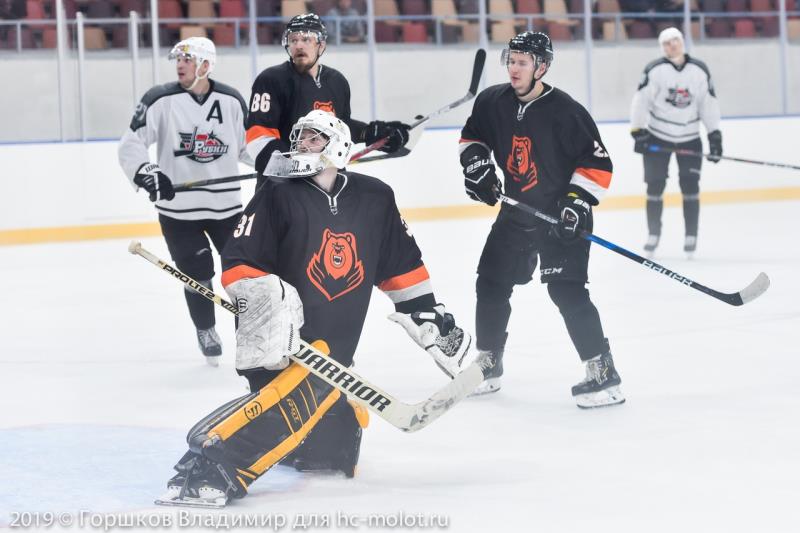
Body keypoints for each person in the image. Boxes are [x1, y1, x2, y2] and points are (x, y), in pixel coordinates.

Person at [157, 110, 473, 507]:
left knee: (332, 450)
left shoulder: (375, 197)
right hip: (281, 347)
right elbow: (240, 262)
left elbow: (402, 266)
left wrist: (428, 314)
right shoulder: (276, 192)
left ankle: (319, 432)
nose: (301, 145)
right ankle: (212, 467)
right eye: (299, 138)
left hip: (335, 354)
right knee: (288, 403)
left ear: (338, 145)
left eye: (313, 139)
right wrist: (269, 303)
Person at [458, 31, 624, 409]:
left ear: (542, 66)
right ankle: (488, 362)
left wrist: (576, 202)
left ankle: (603, 371)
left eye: (522, 62)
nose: (513, 69)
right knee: (491, 282)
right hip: (516, 212)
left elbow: (598, 164)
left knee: (566, 291)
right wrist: (478, 166)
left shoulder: (567, 111)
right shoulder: (491, 102)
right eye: (511, 60)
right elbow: (472, 138)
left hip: (559, 217)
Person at [118, 37, 251, 364]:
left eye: (187, 59)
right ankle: (205, 328)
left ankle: (249, 336)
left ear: (206, 65)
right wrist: (147, 173)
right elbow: (130, 144)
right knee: (198, 273)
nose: (179, 65)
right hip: (179, 213)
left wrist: (278, 164)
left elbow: (248, 147)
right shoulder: (159, 100)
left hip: (227, 210)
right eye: (177, 59)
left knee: (245, 274)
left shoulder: (231, 100)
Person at [245, 13, 410, 189]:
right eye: (293, 40)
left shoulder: (337, 81)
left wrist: (372, 133)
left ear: (321, 45)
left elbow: (340, 127)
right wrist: (293, 166)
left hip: (328, 186)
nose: (299, 45)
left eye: (306, 39)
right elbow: (258, 137)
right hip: (283, 189)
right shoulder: (271, 80)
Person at [630, 27, 722, 254]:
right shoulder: (655, 70)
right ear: (662, 48)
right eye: (667, 43)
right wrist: (638, 130)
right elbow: (640, 101)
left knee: (690, 187)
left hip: (689, 138)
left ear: (682, 42)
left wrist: (714, 135)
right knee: (655, 186)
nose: (672, 45)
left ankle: (691, 235)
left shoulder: (699, 70)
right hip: (658, 137)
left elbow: (708, 103)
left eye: (675, 41)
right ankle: (654, 234)